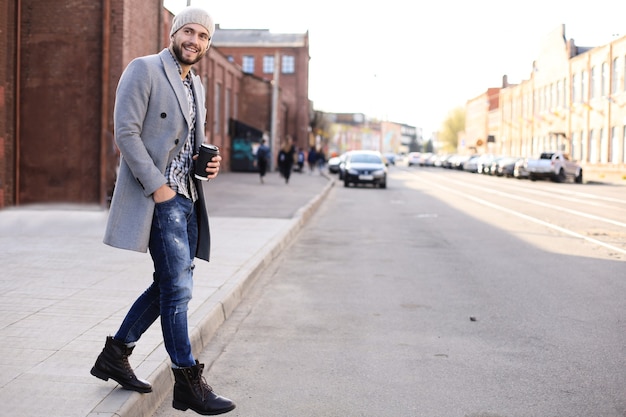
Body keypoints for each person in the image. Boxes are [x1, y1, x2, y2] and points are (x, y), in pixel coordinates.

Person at [90, 6, 235, 416]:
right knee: (178, 290)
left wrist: (209, 164)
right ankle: (187, 381)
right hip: (160, 197)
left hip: (188, 197)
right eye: (188, 31)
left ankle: (115, 354)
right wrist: (158, 189)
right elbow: (126, 132)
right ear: (174, 33)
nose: (195, 41)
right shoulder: (144, 69)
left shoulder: (198, 85)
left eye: (204, 36)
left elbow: (190, 144)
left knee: (169, 284)